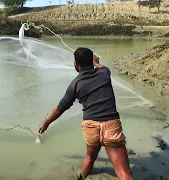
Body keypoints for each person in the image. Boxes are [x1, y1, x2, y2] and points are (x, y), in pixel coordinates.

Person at [38, 47, 133, 180]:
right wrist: (96, 62)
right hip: (111, 126)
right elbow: (101, 67)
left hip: (91, 127)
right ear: (92, 61)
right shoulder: (104, 73)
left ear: (76, 64)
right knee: (124, 174)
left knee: (90, 157)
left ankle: (81, 177)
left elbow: (61, 107)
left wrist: (46, 122)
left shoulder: (75, 84)